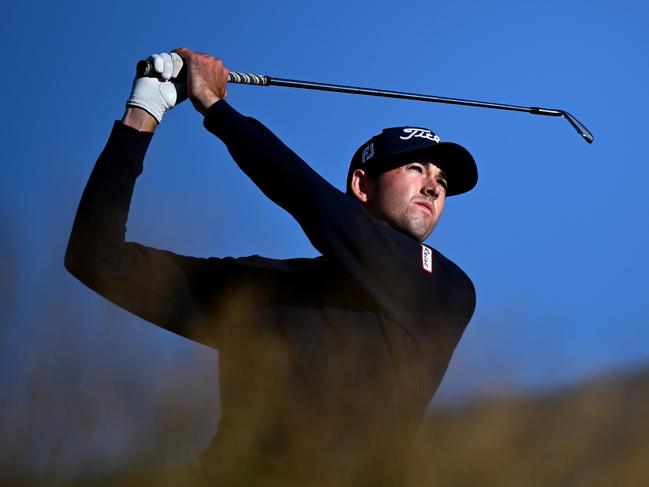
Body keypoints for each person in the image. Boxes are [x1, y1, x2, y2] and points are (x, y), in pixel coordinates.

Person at [65, 48, 478, 486]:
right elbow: (97, 259)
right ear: (361, 185)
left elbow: (316, 205)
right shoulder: (261, 287)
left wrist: (217, 110)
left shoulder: (445, 287)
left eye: (443, 182)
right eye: (415, 168)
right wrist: (143, 111)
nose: (434, 187)